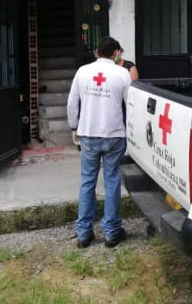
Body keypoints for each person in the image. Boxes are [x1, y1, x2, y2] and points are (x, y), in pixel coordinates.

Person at [66, 35, 132, 248]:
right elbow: (131, 104)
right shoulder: (122, 73)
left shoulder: (82, 72)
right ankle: (112, 232)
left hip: (89, 134)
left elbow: (72, 103)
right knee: (112, 181)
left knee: (87, 182)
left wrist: (74, 126)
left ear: (96, 52)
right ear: (115, 54)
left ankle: (84, 233)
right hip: (114, 135)